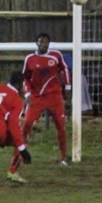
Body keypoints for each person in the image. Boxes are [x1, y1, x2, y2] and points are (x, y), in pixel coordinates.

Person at [22, 33, 71, 165]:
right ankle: (21, 153)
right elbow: (25, 78)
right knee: (27, 124)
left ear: (49, 43)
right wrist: (27, 93)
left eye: (46, 42)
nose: (43, 44)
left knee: (60, 125)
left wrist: (67, 87)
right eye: (41, 42)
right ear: (36, 43)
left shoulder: (56, 55)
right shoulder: (30, 59)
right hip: (37, 96)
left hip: (54, 96)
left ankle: (64, 156)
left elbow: (65, 69)